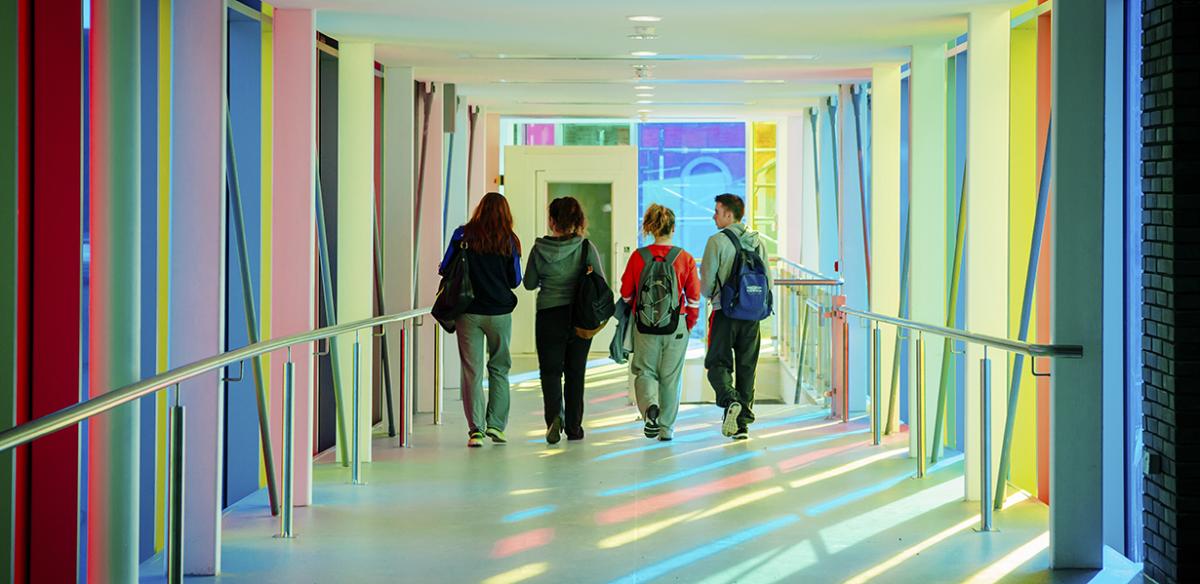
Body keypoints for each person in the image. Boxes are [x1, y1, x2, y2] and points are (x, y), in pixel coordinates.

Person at [439, 192, 522, 448]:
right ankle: (496, 425)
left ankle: (476, 431)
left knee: (471, 371)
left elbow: (444, 268)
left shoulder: (462, 235)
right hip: (499, 313)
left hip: (469, 312)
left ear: (479, 209)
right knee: (499, 368)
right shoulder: (510, 240)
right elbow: (515, 280)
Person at [525, 196, 606, 444]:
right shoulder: (586, 248)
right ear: (578, 220)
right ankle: (574, 427)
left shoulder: (539, 249)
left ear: (552, 221)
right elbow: (600, 281)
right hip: (579, 317)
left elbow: (528, 284)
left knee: (550, 372)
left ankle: (553, 419)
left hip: (549, 315)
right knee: (575, 372)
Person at [619, 204, 700, 441]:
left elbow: (626, 293)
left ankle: (650, 410)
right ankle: (666, 429)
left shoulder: (638, 257)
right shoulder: (684, 257)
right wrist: (688, 323)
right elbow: (694, 297)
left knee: (645, 371)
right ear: (673, 228)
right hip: (676, 325)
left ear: (651, 228)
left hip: (644, 326)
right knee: (671, 377)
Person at [700, 193, 771, 440]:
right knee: (746, 366)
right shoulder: (757, 241)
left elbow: (706, 285)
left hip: (725, 313)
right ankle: (742, 424)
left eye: (717, 211)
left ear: (729, 215)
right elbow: (768, 279)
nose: (714, 216)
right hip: (752, 315)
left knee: (716, 364)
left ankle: (730, 399)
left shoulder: (716, 241)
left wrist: (711, 295)